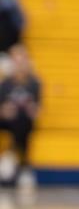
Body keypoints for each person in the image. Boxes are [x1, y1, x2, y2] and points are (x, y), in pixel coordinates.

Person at [0, 45, 39, 186]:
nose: (19, 64)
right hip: (6, 121)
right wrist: (5, 111)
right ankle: (14, 160)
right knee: (15, 118)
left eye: (22, 60)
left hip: (23, 122)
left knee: (22, 121)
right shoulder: (6, 83)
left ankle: (20, 163)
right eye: (16, 61)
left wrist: (31, 110)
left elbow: (36, 111)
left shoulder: (34, 83)